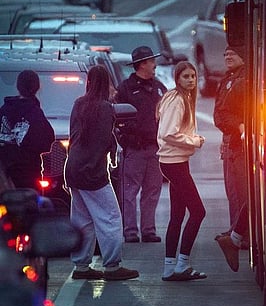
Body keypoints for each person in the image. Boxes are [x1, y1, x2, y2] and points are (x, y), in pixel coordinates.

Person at [65, 65, 139, 281]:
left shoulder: (78, 104)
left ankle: (81, 266)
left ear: (88, 82)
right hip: (93, 171)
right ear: (106, 83)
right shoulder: (106, 108)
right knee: (111, 218)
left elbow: (74, 136)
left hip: (73, 168)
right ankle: (113, 266)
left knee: (82, 219)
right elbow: (106, 140)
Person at [157, 61, 207, 281]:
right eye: (185, 76)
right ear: (177, 79)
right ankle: (181, 264)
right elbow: (168, 132)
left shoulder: (181, 98)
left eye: (193, 76)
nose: (190, 80)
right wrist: (194, 141)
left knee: (177, 215)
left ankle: (171, 268)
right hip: (173, 162)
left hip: (176, 161)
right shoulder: (177, 100)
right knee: (198, 212)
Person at [114, 46, 167, 243]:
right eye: (151, 61)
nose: (155, 65)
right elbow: (117, 118)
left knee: (152, 190)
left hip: (155, 148)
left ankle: (148, 230)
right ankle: (130, 231)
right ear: (142, 64)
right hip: (135, 149)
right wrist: (126, 139)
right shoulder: (125, 89)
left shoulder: (159, 88)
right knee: (130, 192)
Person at [213, 45, 249, 252]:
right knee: (232, 189)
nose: (227, 57)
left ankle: (241, 232)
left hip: (239, 141)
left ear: (243, 58)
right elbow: (221, 112)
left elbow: (227, 112)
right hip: (231, 139)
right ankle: (236, 229)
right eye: (225, 54)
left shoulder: (242, 81)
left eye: (232, 54)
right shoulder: (230, 78)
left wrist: (238, 127)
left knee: (241, 190)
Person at [0, 70, 54, 190]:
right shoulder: (35, 113)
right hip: (28, 177)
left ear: (18, 86)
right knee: (29, 206)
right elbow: (47, 141)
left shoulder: (3, 110)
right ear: (37, 87)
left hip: (4, 176)